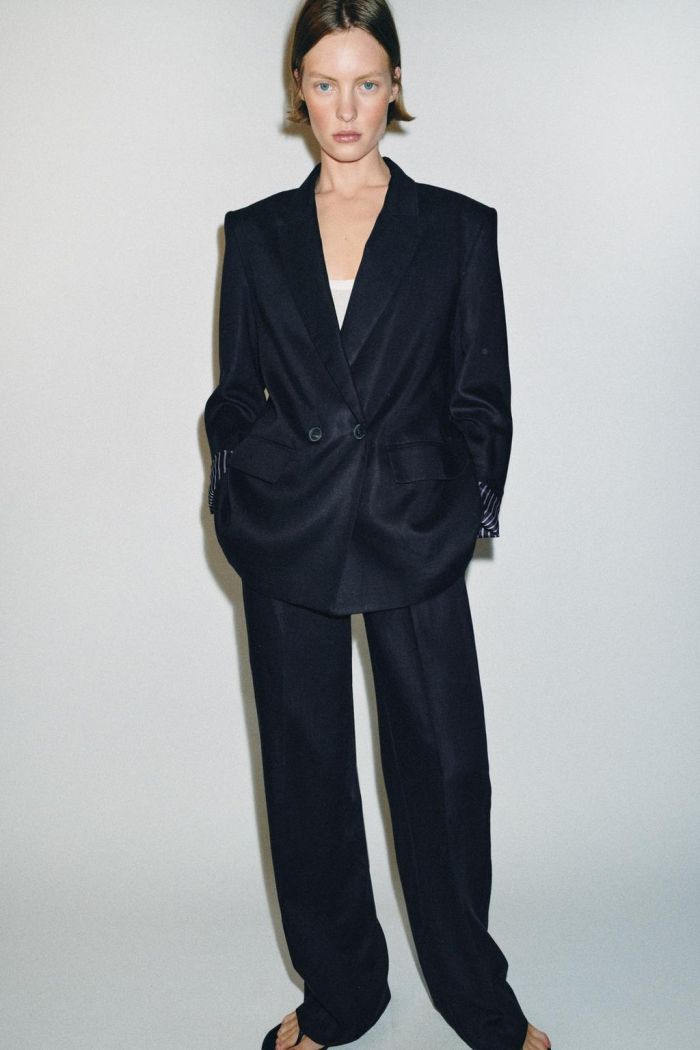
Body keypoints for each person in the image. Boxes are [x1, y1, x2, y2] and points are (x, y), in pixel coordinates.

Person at [204, 2, 552, 1048]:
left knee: (443, 773)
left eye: (365, 82)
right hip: (291, 531)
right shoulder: (255, 233)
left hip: (411, 526)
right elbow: (236, 391)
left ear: (395, 86)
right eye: (324, 83)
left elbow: (481, 396)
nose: (345, 107)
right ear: (297, 92)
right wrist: (243, 478)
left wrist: (457, 509)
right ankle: (343, 993)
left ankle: (475, 997)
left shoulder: (458, 227)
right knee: (305, 773)